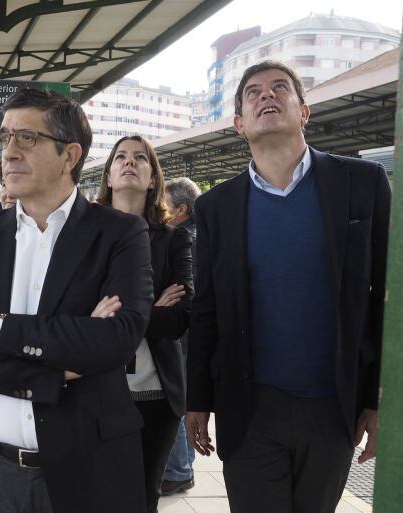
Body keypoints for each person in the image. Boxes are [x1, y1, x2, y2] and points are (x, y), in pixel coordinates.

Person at [0, 88, 153, 513]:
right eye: (5, 138)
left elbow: (117, 340)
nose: (9, 153)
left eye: (26, 138)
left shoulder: (120, 234)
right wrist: (51, 373)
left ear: (69, 155)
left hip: (85, 470)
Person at [186, 60, 390, 513]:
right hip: (250, 406)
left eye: (280, 88)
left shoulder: (362, 184)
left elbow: (384, 299)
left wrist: (381, 400)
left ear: (304, 111)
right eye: (253, 93)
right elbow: (208, 309)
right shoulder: (217, 206)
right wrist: (197, 397)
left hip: (333, 403)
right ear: (239, 123)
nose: (267, 96)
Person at [96, 136, 193, 512]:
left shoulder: (173, 239)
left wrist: (115, 314)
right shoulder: (84, 234)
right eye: (120, 156)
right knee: (94, 495)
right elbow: (74, 313)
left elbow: (180, 318)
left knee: (141, 497)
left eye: (140, 158)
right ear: (108, 174)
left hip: (154, 396)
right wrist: (151, 307)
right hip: (92, 389)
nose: (129, 162)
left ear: (154, 178)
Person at [161, 177, 202, 495]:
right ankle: (181, 467)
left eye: (164, 206)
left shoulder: (182, 240)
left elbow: (178, 294)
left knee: (175, 402)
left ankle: (178, 470)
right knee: (186, 401)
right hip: (194, 335)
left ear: (181, 210)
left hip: (183, 335)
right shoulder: (203, 235)